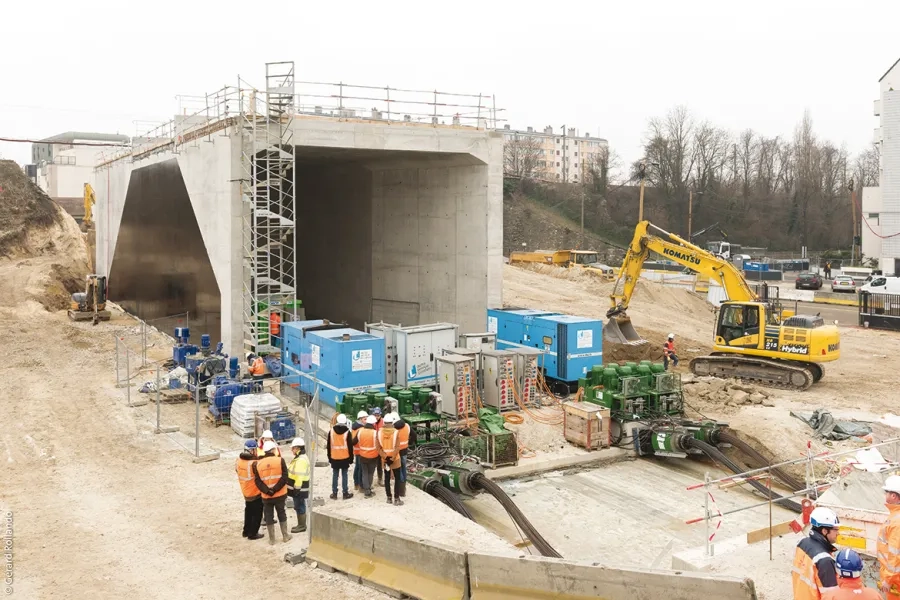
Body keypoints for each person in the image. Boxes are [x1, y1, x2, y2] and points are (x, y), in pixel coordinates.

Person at [792, 506, 840, 600]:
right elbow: (831, 596)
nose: (838, 533)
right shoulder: (824, 561)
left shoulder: (803, 543)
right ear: (824, 531)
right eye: (835, 530)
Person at [251, 440, 292, 545]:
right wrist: (275, 489)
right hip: (280, 494)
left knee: (269, 516)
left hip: (266, 496)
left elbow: (257, 481)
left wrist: (267, 491)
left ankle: (272, 539)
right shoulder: (280, 460)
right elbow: (285, 477)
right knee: (281, 513)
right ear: (273, 450)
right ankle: (285, 536)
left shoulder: (258, 464)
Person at [235, 440, 264, 540]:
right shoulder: (254, 463)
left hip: (245, 491)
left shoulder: (238, 461)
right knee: (257, 513)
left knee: (248, 511)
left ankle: (246, 531)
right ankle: (253, 534)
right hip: (255, 492)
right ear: (252, 451)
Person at [879, 475, 900, 599]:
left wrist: (888, 579)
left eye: (886, 492)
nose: (885, 495)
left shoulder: (896, 521)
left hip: (896, 581)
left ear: (893, 496)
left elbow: (895, 553)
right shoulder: (895, 516)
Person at [325, 414, 354, 500]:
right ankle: (345, 493)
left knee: (335, 475)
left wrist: (329, 457)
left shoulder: (331, 431)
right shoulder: (347, 432)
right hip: (345, 457)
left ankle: (334, 493)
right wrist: (351, 458)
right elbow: (350, 446)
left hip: (334, 457)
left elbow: (329, 446)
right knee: (344, 475)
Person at [378, 414, 403, 505]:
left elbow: (378, 448)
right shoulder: (396, 432)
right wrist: (392, 458)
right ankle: (396, 499)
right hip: (395, 459)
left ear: (384, 422)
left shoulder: (379, 432)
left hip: (385, 460)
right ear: (392, 422)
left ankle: (389, 498)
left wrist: (386, 457)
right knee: (397, 479)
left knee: (387, 478)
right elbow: (397, 447)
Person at [286, 438, 310, 533]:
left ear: (297, 448)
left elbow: (299, 476)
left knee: (299, 506)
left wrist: (296, 489)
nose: (292, 450)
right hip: (300, 488)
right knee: (299, 505)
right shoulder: (300, 458)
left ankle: (302, 525)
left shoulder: (301, 460)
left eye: (293, 448)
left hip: (300, 488)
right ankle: (301, 524)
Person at [357, 415, 380, 498]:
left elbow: (354, 441)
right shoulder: (375, 433)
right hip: (373, 457)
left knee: (364, 473)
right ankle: (368, 489)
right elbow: (379, 444)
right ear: (373, 423)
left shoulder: (360, 431)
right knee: (370, 473)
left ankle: (366, 489)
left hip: (362, 456)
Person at [392, 412, 410, 502]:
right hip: (405, 451)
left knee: (399, 471)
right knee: (404, 469)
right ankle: (403, 489)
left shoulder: (394, 429)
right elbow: (413, 435)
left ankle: (400, 489)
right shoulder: (407, 426)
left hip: (397, 452)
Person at [351, 410, 368, 492]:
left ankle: (356, 483)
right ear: (360, 419)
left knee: (357, 467)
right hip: (361, 451)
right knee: (360, 468)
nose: (366, 420)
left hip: (356, 451)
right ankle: (361, 485)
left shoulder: (354, 427)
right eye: (365, 419)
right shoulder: (361, 429)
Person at [372, 407, 384, 486]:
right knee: (372, 465)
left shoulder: (383, 423)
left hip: (380, 447)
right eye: (375, 415)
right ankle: (371, 481)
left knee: (380, 465)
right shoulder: (372, 422)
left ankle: (380, 479)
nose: (376, 417)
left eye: (378, 415)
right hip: (373, 447)